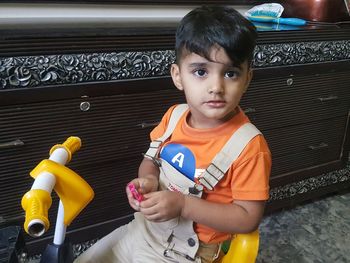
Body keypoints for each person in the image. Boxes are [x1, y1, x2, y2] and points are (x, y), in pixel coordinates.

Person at [75, 5, 271, 263]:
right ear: (178, 76)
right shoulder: (174, 117)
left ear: (246, 79)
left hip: (188, 253)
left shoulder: (249, 147)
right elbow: (151, 161)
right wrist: (147, 181)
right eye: (200, 72)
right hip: (143, 230)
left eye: (230, 73)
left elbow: (247, 218)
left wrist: (183, 205)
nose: (216, 87)